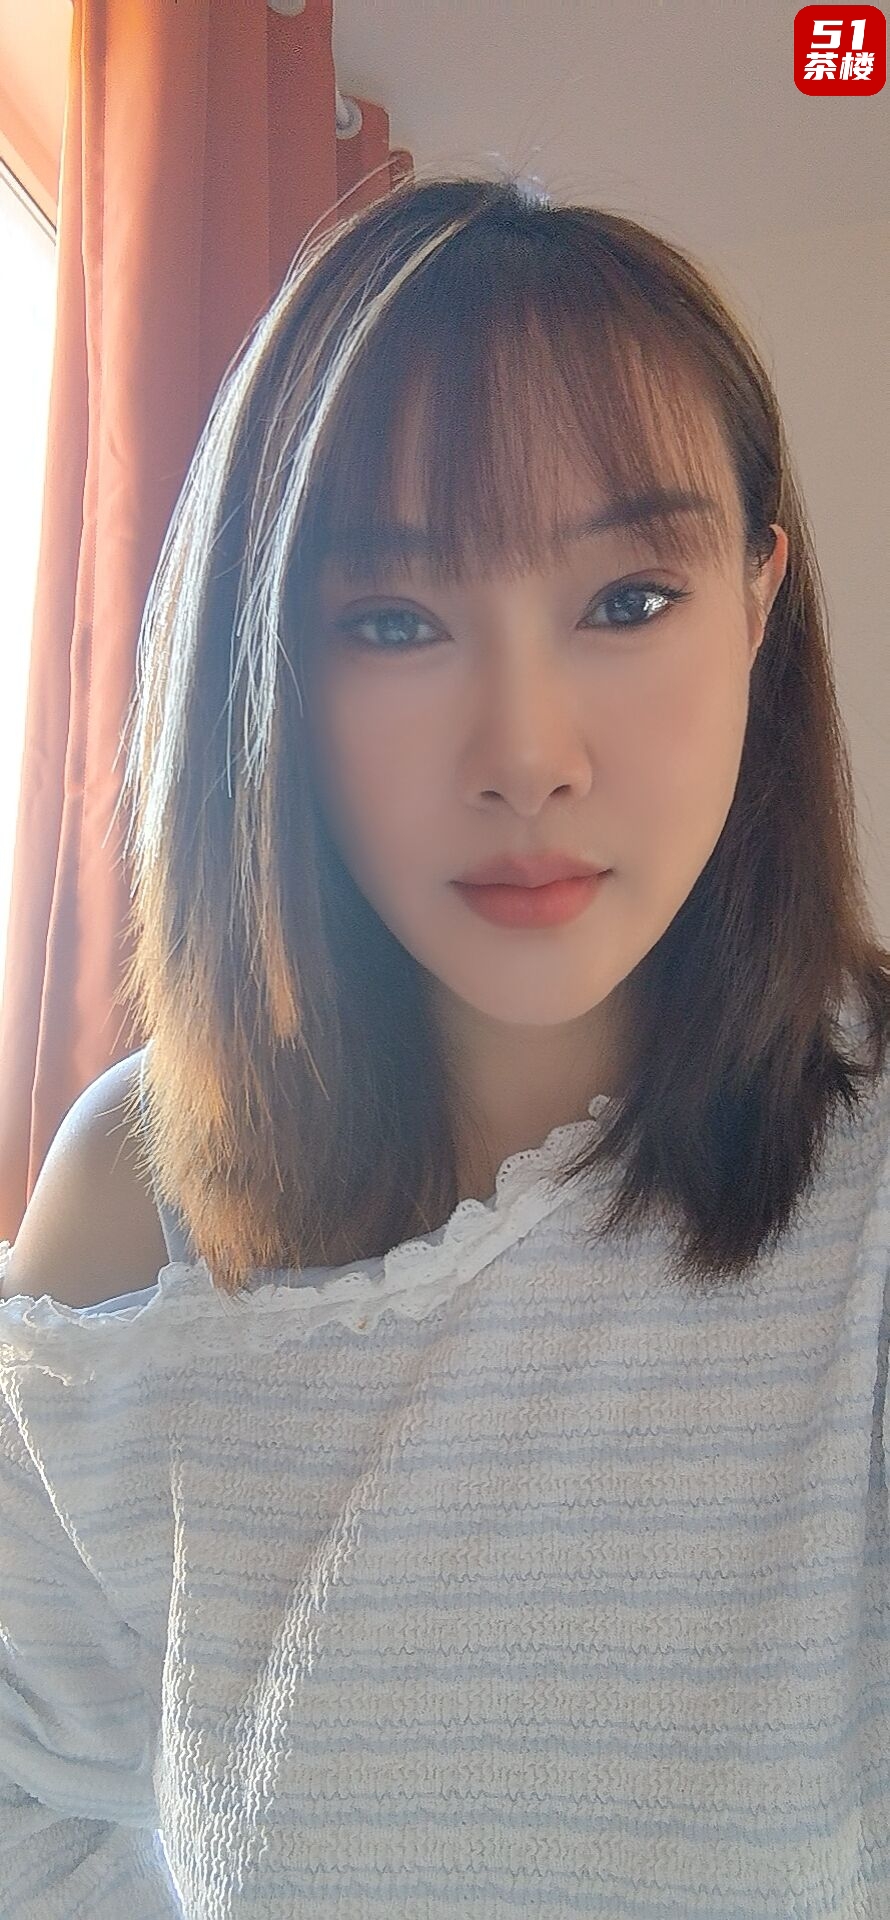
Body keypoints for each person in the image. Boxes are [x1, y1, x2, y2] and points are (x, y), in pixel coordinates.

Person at [1, 171, 889, 1917]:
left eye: (628, 600)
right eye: (393, 621)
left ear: (757, 602)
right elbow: (37, 1802)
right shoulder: (139, 1199)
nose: (528, 755)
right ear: (266, 663)